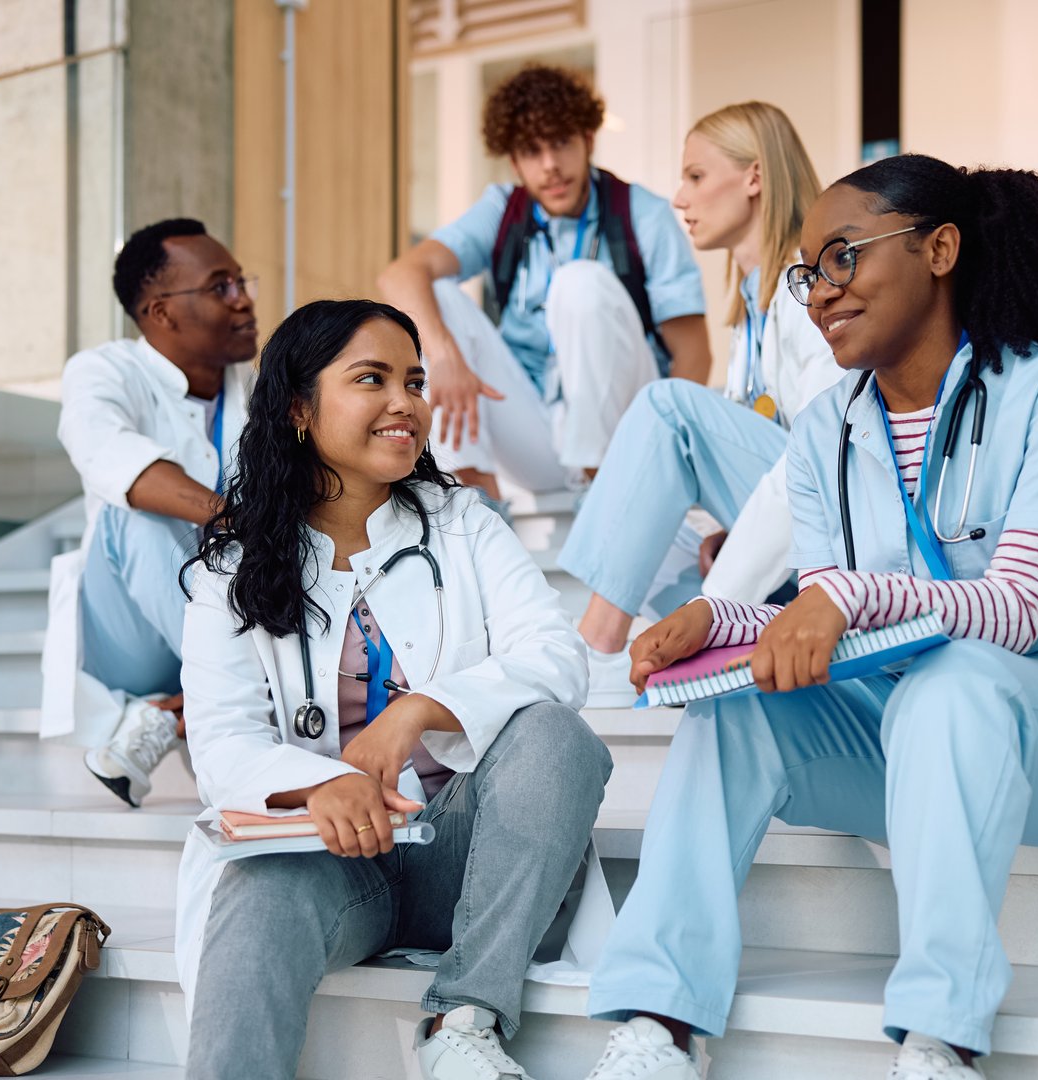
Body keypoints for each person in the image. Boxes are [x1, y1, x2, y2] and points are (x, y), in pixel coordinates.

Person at [578, 154, 1038, 1080]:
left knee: (959, 680)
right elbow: (836, 631)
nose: (820, 291)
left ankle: (938, 1040)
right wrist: (720, 622)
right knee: (735, 705)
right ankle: (662, 1019)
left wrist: (841, 596)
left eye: (844, 256)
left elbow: (1014, 614)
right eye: (808, 270)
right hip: (908, 737)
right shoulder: (825, 433)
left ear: (940, 249)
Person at [175, 299, 611, 1080]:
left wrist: (418, 711)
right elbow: (222, 745)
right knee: (258, 888)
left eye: (413, 380)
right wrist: (323, 784)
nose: (405, 402)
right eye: (370, 379)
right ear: (299, 409)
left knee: (553, 732)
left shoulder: (463, 524)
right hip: (331, 860)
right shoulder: (229, 571)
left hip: (472, 853)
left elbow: (557, 656)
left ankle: (462, 1019)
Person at [557, 101, 841, 705]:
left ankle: (597, 651)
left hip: (831, 529)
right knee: (646, 522)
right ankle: (694, 657)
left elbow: (824, 458)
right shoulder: (750, 306)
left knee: (668, 409)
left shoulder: (806, 290)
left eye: (695, 177)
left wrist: (712, 605)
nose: (679, 200)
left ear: (754, 178)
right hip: (782, 537)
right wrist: (720, 529)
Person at [377, 63, 711, 503]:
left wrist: (667, 457)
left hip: (624, 426)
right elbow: (398, 275)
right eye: (533, 152)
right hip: (535, 428)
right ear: (514, 162)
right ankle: (473, 501)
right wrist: (444, 356)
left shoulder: (642, 212)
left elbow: (694, 355)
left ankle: (598, 481)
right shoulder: (502, 210)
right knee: (434, 296)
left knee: (579, 283)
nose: (550, 166)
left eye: (561, 144)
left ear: (588, 140)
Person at [39, 218, 256, 807]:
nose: (244, 300)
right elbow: (112, 459)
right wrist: (234, 519)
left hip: (229, 612)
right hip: (131, 632)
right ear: (161, 312)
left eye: (241, 281)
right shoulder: (102, 371)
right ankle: (252, 680)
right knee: (131, 511)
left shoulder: (258, 387)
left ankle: (182, 707)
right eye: (221, 287)